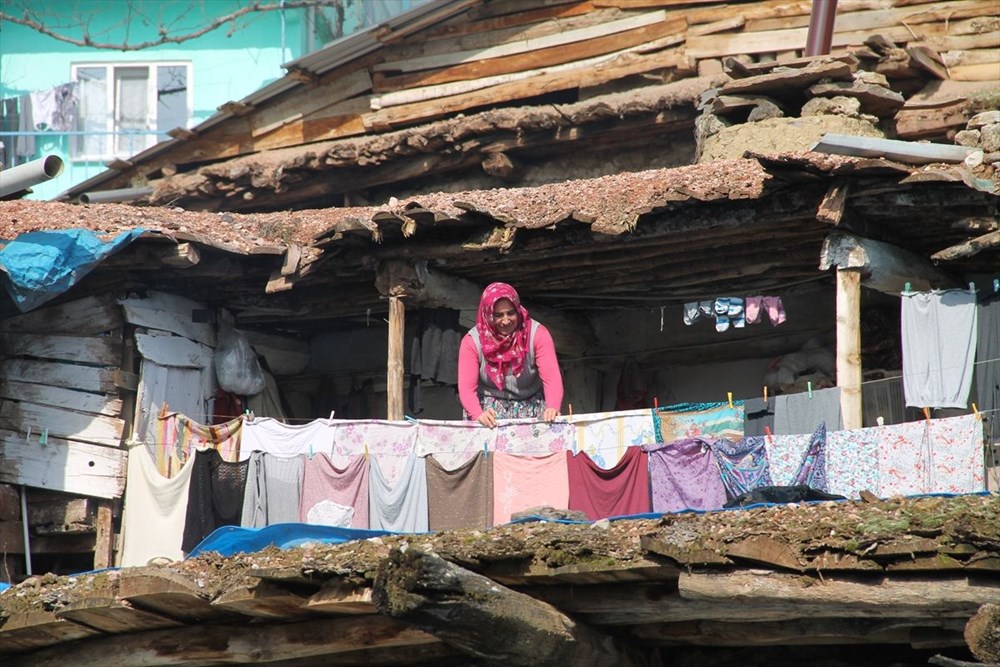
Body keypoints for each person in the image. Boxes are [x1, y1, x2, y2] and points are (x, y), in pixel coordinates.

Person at [458, 282, 563, 428]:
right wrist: (478, 414)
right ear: (487, 314)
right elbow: (466, 388)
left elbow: (552, 378)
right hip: (488, 413)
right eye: (498, 315)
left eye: (511, 313)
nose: (506, 320)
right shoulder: (472, 342)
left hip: (531, 407)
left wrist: (552, 407)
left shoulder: (538, 335)